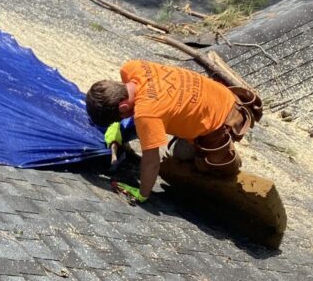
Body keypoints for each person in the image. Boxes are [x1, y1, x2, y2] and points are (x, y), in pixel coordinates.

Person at [86, 59, 262, 202]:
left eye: (121, 117)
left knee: (182, 156)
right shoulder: (132, 68)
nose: (123, 120)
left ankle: (228, 157)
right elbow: (148, 102)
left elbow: (151, 162)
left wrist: (143, 194)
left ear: (123, 106)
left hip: (225, 120)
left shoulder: (146, 113)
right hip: (220, 95)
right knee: (148, 118)